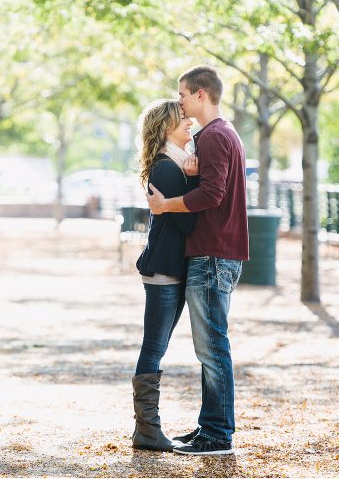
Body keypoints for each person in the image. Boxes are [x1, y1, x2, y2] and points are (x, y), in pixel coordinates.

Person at [146, 66, 248, 456]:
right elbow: (210, 188)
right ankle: (211, 426)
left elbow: (213, 194)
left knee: (212, 347)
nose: (180, 102)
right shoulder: (221, 133)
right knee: (209, 346)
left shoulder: (215, 136)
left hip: (213, 253)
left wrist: (166, 205)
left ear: (201, 94)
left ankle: (218, 434)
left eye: (183, 94)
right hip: (217, 252)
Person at [131, 99, 198, 452]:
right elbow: (187, 223)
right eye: (182, 118)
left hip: (168, 270)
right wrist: (194, 179)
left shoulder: (171, 164)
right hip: (164, 273)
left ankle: (147, 429)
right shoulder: (168, 169)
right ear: (165, 127)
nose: (189, 122)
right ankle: (146, 430)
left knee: (156, 348)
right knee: (154, 349)